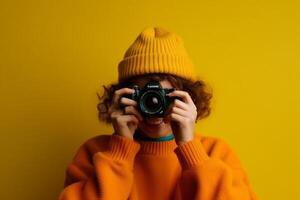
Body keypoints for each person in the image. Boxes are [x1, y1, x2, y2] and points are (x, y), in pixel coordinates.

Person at [58, 27, 258, 200]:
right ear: (123, 97)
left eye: (168, 96)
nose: (155, 105)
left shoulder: (215, 152)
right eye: (145, 95)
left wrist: (191, 151)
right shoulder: (96, 153)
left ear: (190, 98)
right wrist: (120, 151)